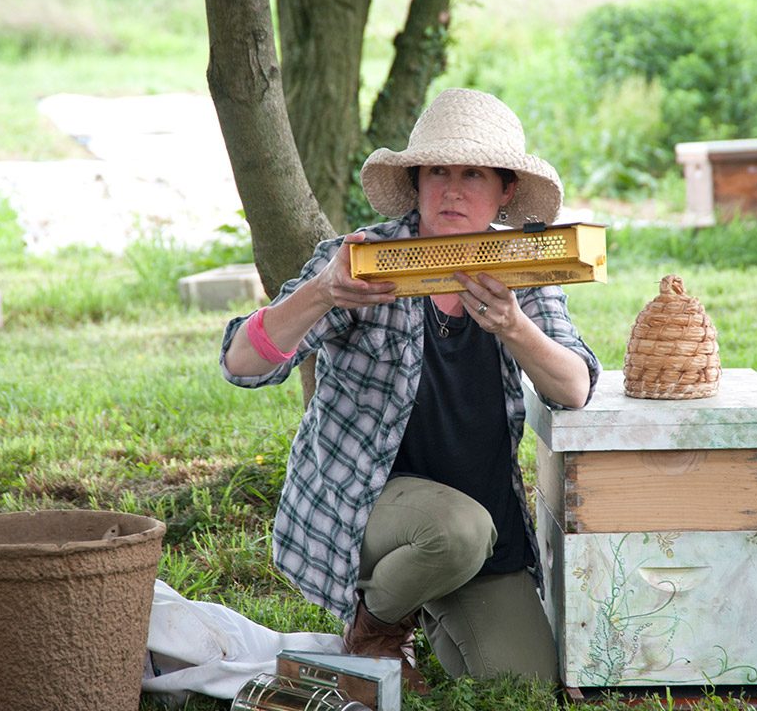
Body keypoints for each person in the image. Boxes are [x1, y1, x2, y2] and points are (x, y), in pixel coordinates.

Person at [219, 88, 600, 694]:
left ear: (504, 190)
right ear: (416, 181)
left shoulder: (521, 268)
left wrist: (513, 326)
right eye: (437, 172)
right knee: (455, 531)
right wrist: (321, 292)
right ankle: (375, 627)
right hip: (370, 506)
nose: (451, 189)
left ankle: (425, 601)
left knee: (523, 684)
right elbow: (243, 363)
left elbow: (573, 388)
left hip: (481, 523)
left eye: (472, 173)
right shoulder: (363, 262)